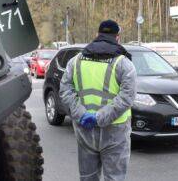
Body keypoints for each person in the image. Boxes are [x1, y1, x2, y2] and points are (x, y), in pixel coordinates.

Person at [59, 20, 137, 181]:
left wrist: (82, 114)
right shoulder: (124, 64)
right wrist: (100, 117)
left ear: (97, 35)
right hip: (115, 131)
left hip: (84, 128)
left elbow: (65, 91)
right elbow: (127, 97)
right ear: (118, 38)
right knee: (114, 177)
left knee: (88, 177)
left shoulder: (75, 61)